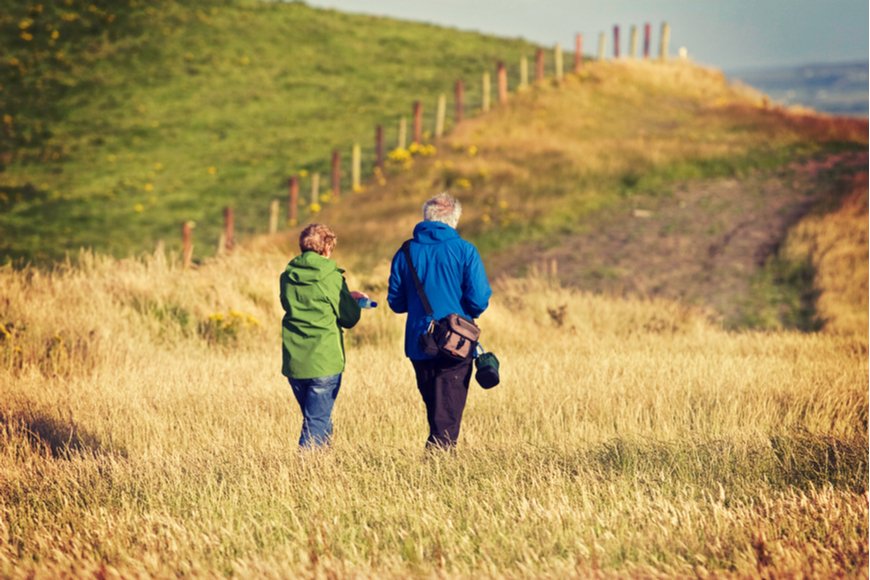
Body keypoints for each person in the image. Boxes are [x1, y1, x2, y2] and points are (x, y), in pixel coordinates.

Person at [388, 193, 492, 449]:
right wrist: (461, 313)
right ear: (454, 219)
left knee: (436, 411)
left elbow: (396, 302)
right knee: (447, 415)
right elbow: (479, 299)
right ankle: (437, 468)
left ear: (426, 217)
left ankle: (437, 464)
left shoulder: (405, 252)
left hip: (419, 343)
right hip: (457, 343)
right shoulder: (465, 250)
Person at [280, 223, 368, 448]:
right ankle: (305, 471)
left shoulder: (288, 275)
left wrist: (344, 295)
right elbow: (349, 318)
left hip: (295, 361)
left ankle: (323, 468)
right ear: (327, 248)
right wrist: (353, 302)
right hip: (324, 360)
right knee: (316, 421)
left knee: (318, 418)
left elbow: (301, 302)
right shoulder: (331, 275)